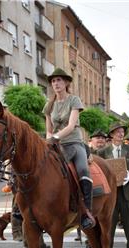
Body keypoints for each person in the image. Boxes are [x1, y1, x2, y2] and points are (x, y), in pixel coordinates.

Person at [43, 68, 95, 230]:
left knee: (82, 171)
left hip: (74, 143)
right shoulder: (49, 105)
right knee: (40, 168)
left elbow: (72, 126)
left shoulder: (74, 100)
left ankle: (86, 212)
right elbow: (48, 130)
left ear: (66, 83)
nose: (56, 84)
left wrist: (54, 138)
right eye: (53, 81)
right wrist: (49, 140)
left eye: (59, 80)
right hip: (55, 144)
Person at [98, 123, 129, 248]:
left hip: (126, 192)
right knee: (109, 224)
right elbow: (99, 171)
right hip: (110, 194)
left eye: (122, 132)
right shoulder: (103, 152)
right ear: (111, 135)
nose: (121, 134)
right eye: (117, 132)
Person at [84, 129, 107, 248]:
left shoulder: (108, 153)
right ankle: (89, 242)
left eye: (103, 138)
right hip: (92, 188)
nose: (100, 140)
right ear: (91, 140)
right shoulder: (86, 153)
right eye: (97, 138)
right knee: (90, 216)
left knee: (105, 218)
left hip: (107, 189)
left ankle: (105, 242)